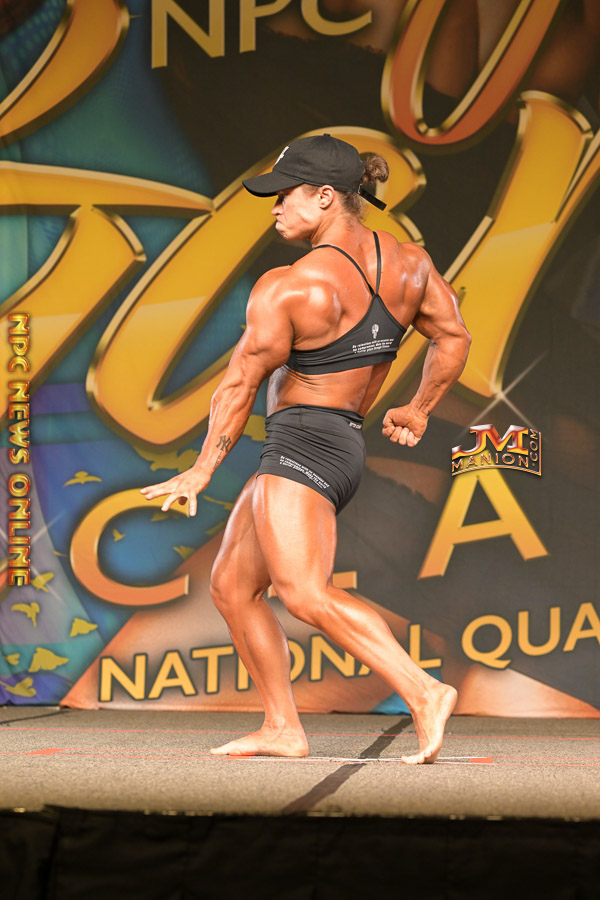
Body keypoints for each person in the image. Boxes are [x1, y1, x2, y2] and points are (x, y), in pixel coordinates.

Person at [141, 134, 471, 764]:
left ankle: (423, 691)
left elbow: (239, 383)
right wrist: (418, 409)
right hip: (340, 443)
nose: (274, 208)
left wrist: (202, 469)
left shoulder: (288, 287)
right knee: (233, 587)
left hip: (302, 444)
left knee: (303, 592)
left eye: (283, 195)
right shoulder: (411, 264)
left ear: (324, 197)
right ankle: (282, 728)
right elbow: (453, 337)